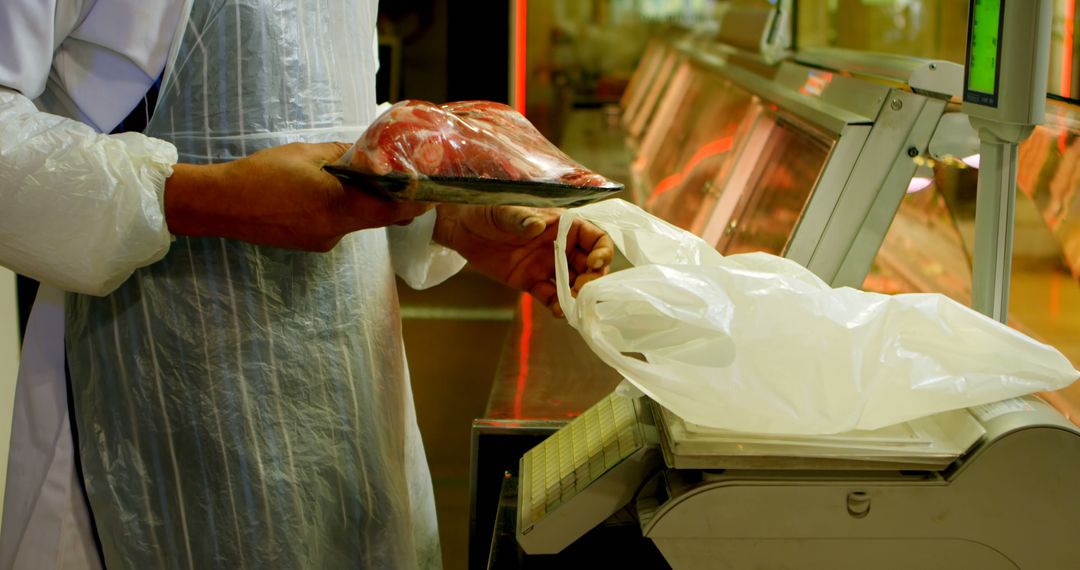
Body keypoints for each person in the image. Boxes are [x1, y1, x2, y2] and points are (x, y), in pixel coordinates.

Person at [0, 1, 613, 568]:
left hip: (351, 399)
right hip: (152, 406)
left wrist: (445, 212)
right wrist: (203, 200)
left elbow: (308, 112)